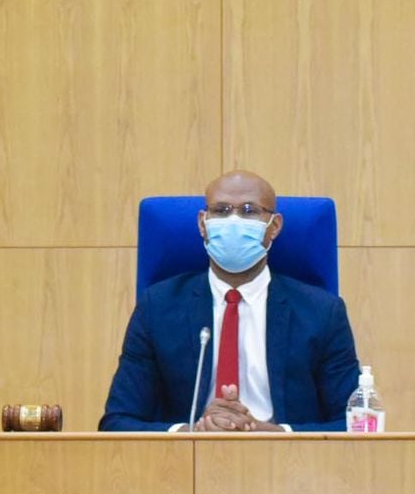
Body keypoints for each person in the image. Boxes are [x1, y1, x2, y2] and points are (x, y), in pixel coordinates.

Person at [100, 171, 361, 432]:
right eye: (221, 211)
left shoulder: (322, 312)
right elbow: (117, 422)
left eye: (249, 211)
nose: (233, 221)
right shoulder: (157, 307)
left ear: (274, 226)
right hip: (187, 453)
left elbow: (355, 425)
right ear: (202, 223)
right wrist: (191, 432)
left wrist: (276, 434)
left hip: (285, 455)